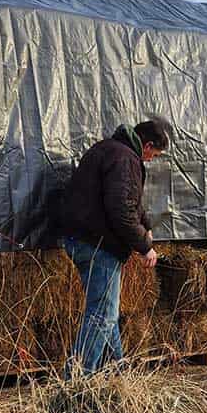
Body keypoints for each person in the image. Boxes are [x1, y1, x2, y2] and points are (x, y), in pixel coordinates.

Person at [56, 117, 172, 375]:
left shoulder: (108, 149)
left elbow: (130, 201)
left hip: (80, 240)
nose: (152, 159)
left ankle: (117, 375)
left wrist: (147, 225)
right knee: (102, 316)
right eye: (154, 153)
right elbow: (121, 210)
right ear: (146, 145)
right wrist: (145, 246)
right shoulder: (125, 159)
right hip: (99, 245)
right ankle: (75, 381)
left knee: (106, 312)